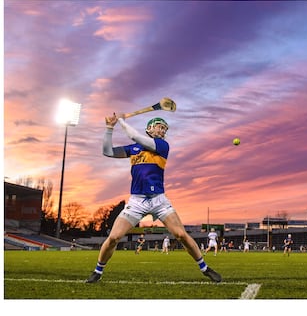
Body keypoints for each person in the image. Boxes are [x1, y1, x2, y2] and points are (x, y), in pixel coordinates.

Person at [85, 113, 221, 283]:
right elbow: (107, 151)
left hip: (159, 200)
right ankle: (98, 271)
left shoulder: (162, 146)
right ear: (149, 128)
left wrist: (120, 121)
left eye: (164, 128)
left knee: (181, 235)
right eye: (159, 126)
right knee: (113, 238)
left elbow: (134, 135)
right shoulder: (133, 149)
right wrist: (109, 128)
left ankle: (205, 268)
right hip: (136, 201)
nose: (162, 130)